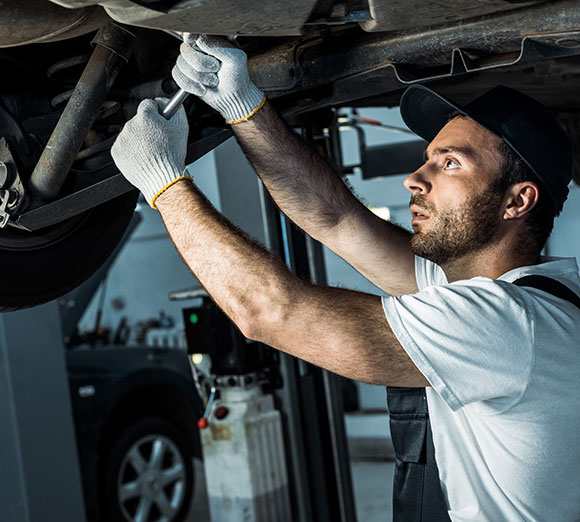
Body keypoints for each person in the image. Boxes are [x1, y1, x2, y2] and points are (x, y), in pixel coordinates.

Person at [111, 35, 580, 521]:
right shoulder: (512, 294)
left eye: (450, 164)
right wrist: (242, 103)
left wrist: (165, 183)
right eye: (428, 158)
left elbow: (270, 313)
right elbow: (335, 218)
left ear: (517, 202)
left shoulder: (506, 323)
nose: (415, 179)